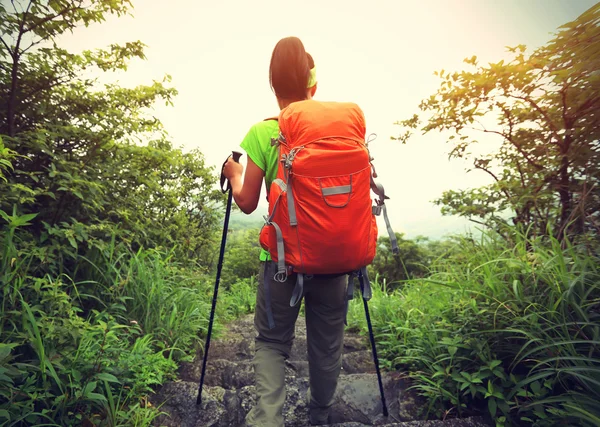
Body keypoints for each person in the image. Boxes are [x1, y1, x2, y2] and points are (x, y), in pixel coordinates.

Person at [222, 36, 348, 427]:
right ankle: (321, 415)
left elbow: (247, 202)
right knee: (326, 344)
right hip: (334, 258)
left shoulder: (263, 132)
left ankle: (268, 421)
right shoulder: (339, 131)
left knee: (273, 343)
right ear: (313, 85)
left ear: (273, 85)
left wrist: (234, 172)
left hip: (280, 262)